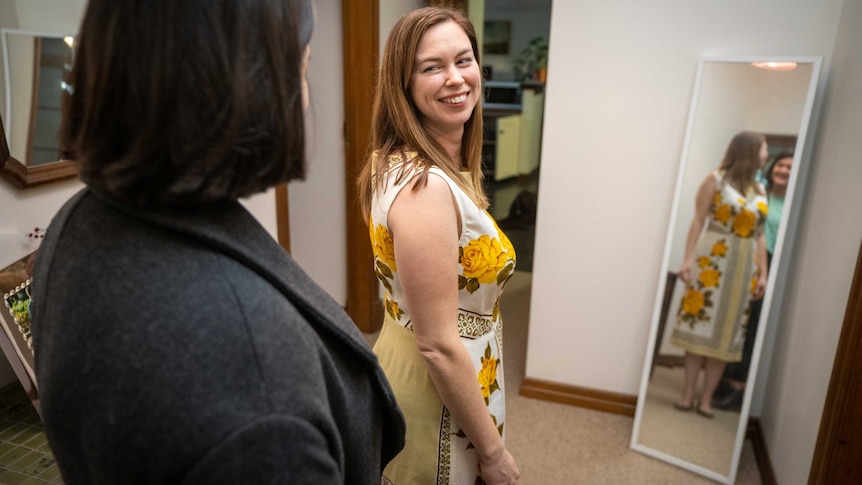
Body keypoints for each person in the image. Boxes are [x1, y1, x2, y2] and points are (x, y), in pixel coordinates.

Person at [30, 1, 405, 483]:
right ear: (248, 88)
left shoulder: (79, 219)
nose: (305, 97)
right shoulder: (258, 383)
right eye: (304, 70)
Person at [357, 6, 520, 484]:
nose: (456, 79)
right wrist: (491, 453)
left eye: (463, 60)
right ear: (403, 85)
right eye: (432, 67)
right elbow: (438, 344)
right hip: (437, 394)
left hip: (435, 371)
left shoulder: (395, 161)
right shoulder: (424, 189)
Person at [670, 131, 770, 419]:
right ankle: (687, 394)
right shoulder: (716, 179)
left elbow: (760, 235)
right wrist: (687, 258)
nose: (766, 154)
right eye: (763, 149)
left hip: (744, 268)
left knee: (726, 337)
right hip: (713, 261)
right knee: (700, 328)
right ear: (750, 150)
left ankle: (706, 398)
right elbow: (698, 219)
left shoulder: (761, 190)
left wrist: (763, 274)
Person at [712, 151, 794, 410]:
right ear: (772, 168)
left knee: (754, 325)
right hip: (747, 259)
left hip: (773, 263)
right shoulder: (758, 194)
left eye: (790, 167)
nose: (783, 170)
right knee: (735, 320)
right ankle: (722, 378)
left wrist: (766, 273)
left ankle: (738, 384)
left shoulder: (793, 203)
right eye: (780, 165)